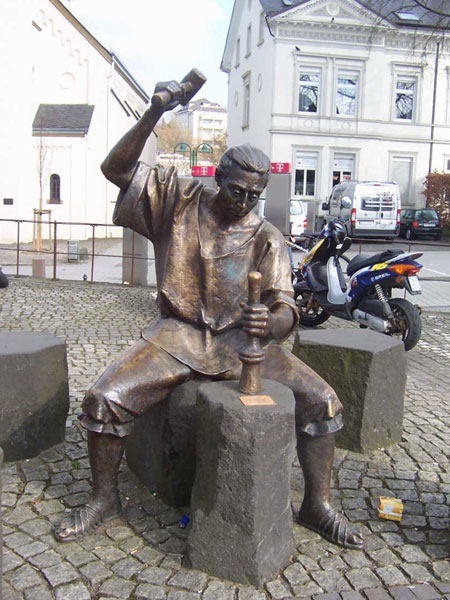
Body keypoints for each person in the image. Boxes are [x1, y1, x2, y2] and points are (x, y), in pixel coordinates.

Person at [54, 78, 364, 550]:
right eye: (236, 190)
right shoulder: (177, 200)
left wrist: (272, 323)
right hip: (175, 336)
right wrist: (155, 112)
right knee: (104, 397)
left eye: (253, 195)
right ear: (218, 178)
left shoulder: (267, 237)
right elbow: (114, 168)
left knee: (323, 400)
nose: (243, 202)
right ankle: (104, 498)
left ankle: (317, 504)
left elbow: (285, 306)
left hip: (245, 346)